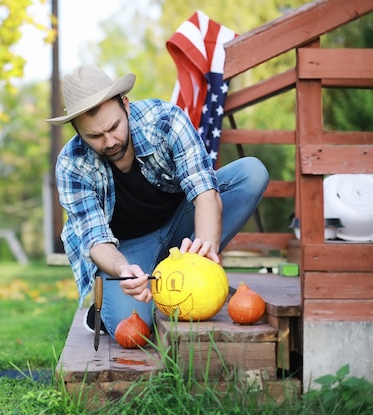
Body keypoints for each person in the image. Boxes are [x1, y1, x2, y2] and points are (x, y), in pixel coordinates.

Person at [46, 65, 269, 341]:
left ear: (125, 105)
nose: (109, 141)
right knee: (131, 327)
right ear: (77, 131)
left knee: (252, 173)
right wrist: (122, 270)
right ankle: (120, 300)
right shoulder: (71, 165)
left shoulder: (165, 120)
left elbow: (204, 192)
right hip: (127, 249)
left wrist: (205, 246)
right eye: (94, 136)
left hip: (182, 224)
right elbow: (96, 241)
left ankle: (184, 269)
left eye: (114, 127)